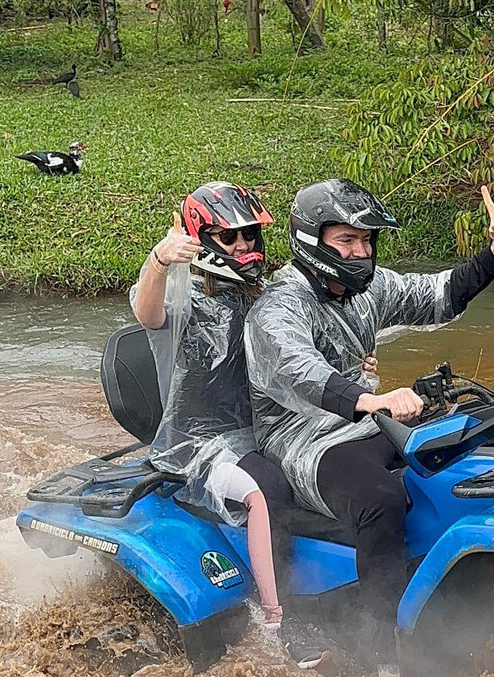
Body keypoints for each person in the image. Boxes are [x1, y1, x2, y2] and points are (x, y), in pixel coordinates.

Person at [244, 178, 494, 677]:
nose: (361, 251)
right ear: (312, 240)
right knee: (381, 499)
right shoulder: (278, 306)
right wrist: (372, 399)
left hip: (367, 417)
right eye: (347, 241)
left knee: (463, 453)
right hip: (302, 434)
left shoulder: (365, 290)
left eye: (366, 240)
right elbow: (298, 373)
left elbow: (436, 295)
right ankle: (378, 651)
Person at [131, 181, 343, 669]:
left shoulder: (265, 297)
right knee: (264, 490)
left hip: (262, 429)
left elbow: (306, 353)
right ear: (202, 239)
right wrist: (161, 260)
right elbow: (147, 312)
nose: (245, 246)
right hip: (196, 442)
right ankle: (277, 620)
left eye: (250, 236)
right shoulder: (185, 299)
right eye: (232, 239)